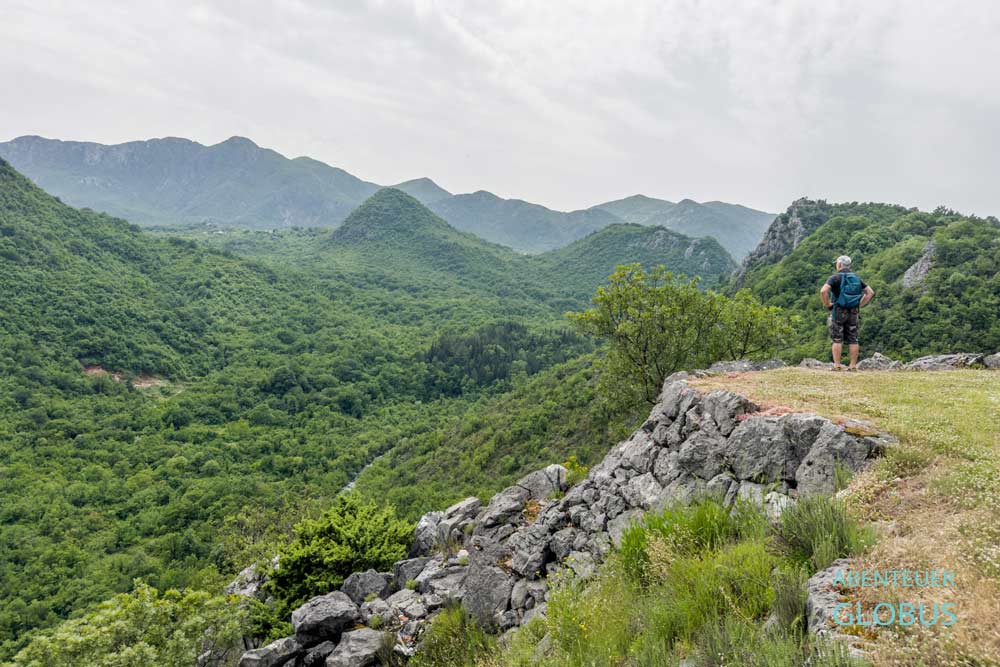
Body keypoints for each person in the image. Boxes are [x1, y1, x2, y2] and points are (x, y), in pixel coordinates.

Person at [820, 255, 874, 370]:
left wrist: (827, 304)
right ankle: (853, 366)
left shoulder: (834, 278)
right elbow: (870, 293)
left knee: (837, 338)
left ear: (839, 265)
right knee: (853, 338)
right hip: (854, 312)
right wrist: (859, 305)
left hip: (838, 310)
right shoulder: (856, 278)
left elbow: (823, 291)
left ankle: (837, 365)